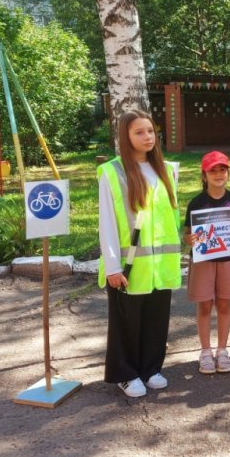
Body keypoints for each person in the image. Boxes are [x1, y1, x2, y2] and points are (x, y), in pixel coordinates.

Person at [98, 109, 181, 398]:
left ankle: (150, 368)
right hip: (128, 264)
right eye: (139, 132)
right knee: (127, 322)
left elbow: (170, 218)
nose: (148, 137)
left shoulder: (167, 169)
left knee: (157, 318)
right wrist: (111, 265)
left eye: (150, 131)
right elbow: (107, 221)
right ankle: (126, 373)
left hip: (161, 262)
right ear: (126, 136)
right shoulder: (112, 171)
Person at [182, 151, 230, 375]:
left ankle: (222, 350)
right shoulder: (196, 203)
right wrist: (188, 239)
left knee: (225, 304)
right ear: (204, 175)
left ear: (228, 173)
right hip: (203, 260)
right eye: (213, 170)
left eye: (223, 170)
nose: (219, 174)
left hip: (229, 260)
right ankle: (205, 351)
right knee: (205, 305)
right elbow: (188, 234)